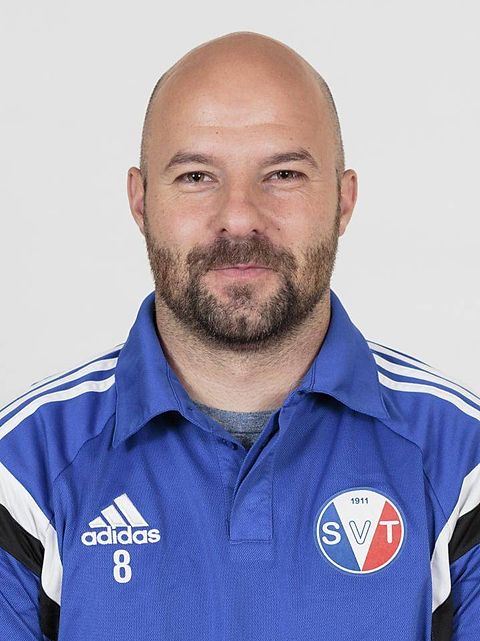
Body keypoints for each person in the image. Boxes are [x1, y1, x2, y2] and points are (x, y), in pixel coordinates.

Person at [0, 30, 478, 641]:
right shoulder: (25, 471)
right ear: (141, 203)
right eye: (197, 176)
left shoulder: (463, 462)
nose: (240, 217)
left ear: (343, 200)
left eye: (283, 173)